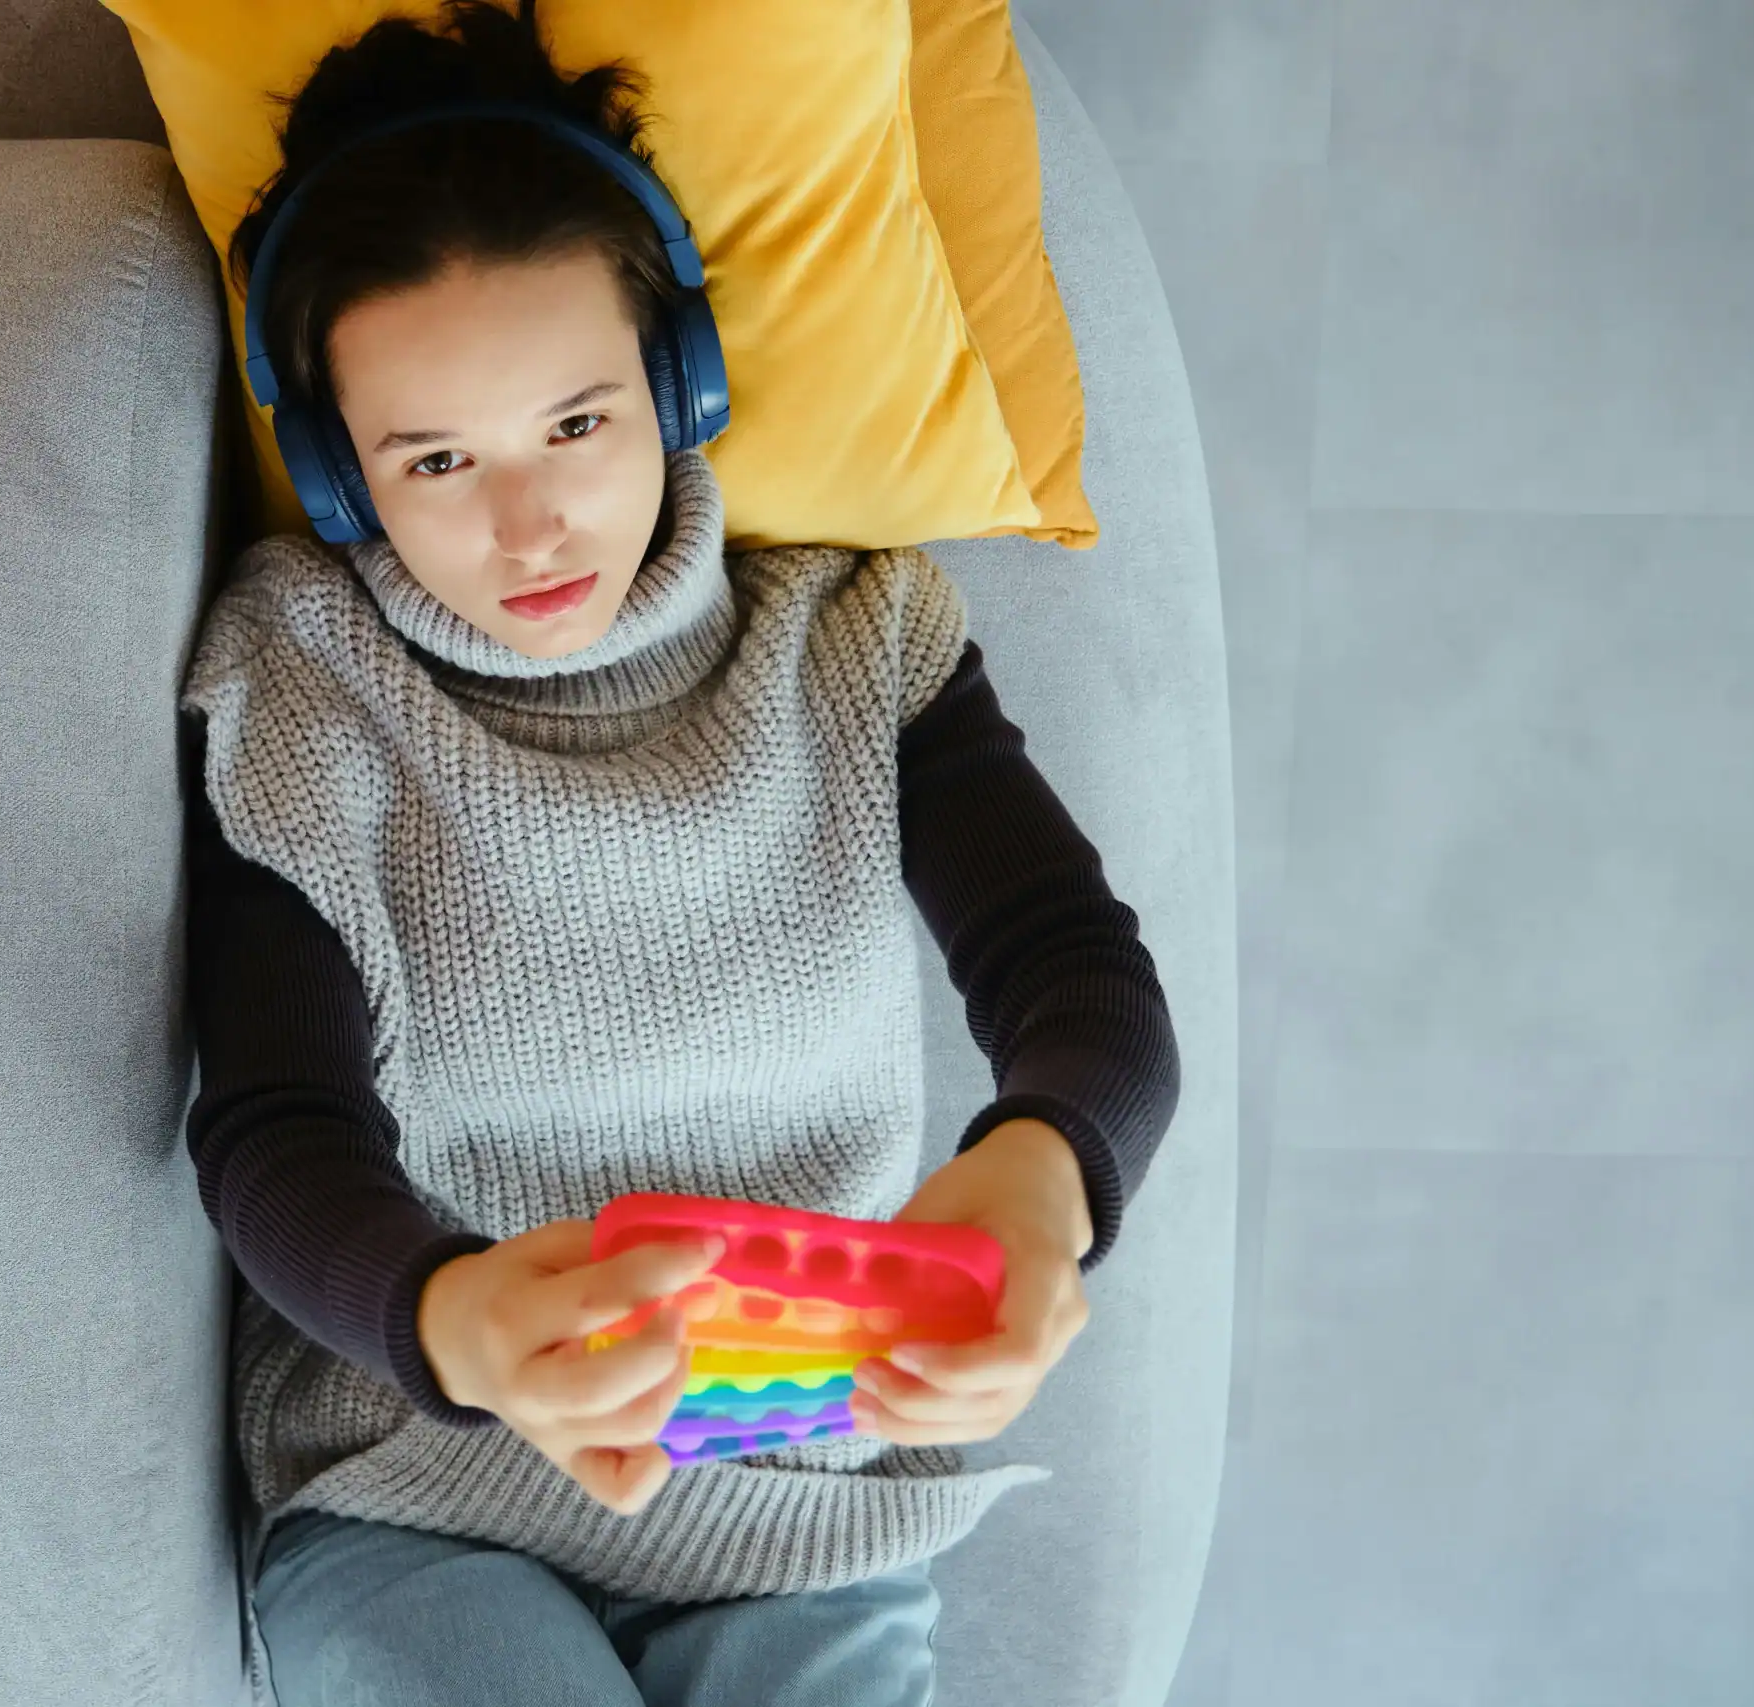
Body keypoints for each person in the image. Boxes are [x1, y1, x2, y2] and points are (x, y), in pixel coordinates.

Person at [176, 5, 1179, 1702]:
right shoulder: (306, 680)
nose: (530, 523)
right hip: (427, 1490)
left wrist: (1045, 1175)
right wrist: (450, 1318)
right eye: (438, 459)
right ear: (343, 481)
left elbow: (1075, 975)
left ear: (678, 383)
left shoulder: (854, 638)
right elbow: (273, 1128)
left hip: (801, 1495)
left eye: (577, 424)